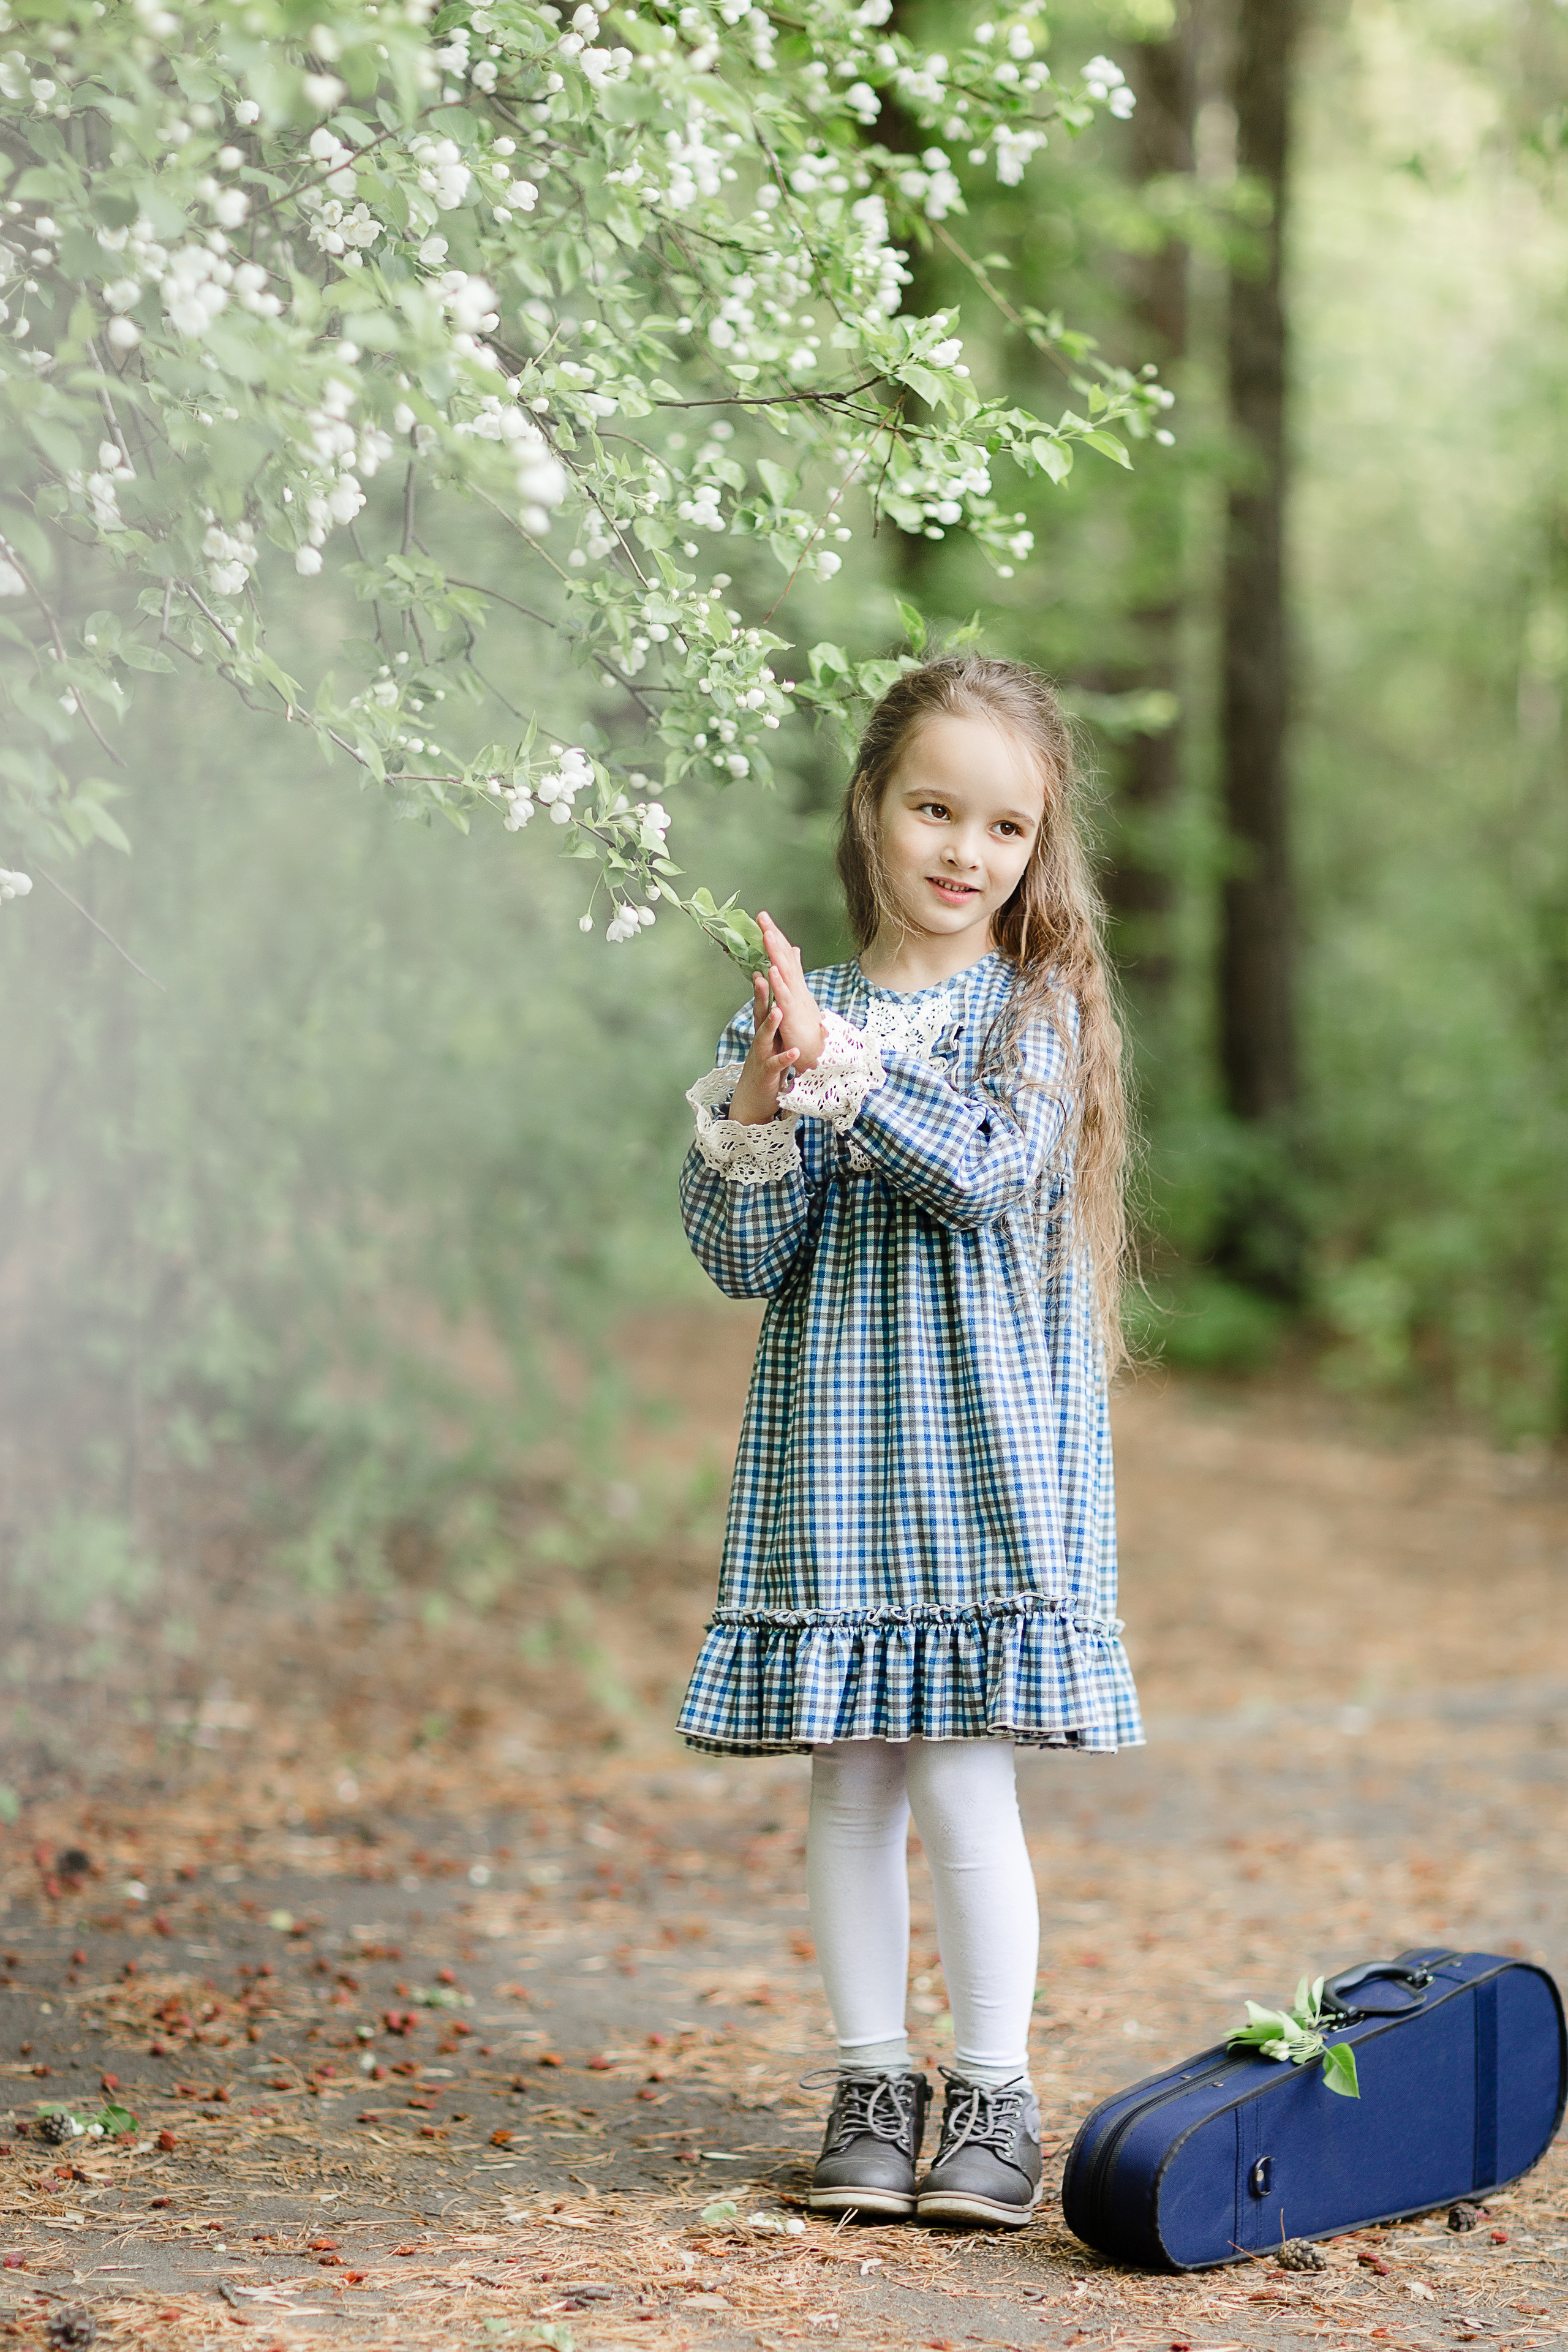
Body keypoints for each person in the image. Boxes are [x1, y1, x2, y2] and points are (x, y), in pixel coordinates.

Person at [675, 652, 1143, 2230]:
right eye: (934, 808)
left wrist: (837, 1070)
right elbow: (746, 1260)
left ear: (1036, 848)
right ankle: (871, 2080)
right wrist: (760, 1091)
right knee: (849, 1787)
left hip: (985, 1464)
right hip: (836, 1455)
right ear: (870, 807)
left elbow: (988, 1173)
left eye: (1003, 828)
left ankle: (993, 2094)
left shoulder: (1030, 1010)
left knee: (958, 1785)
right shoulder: (804, 1018)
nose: (964, 851)